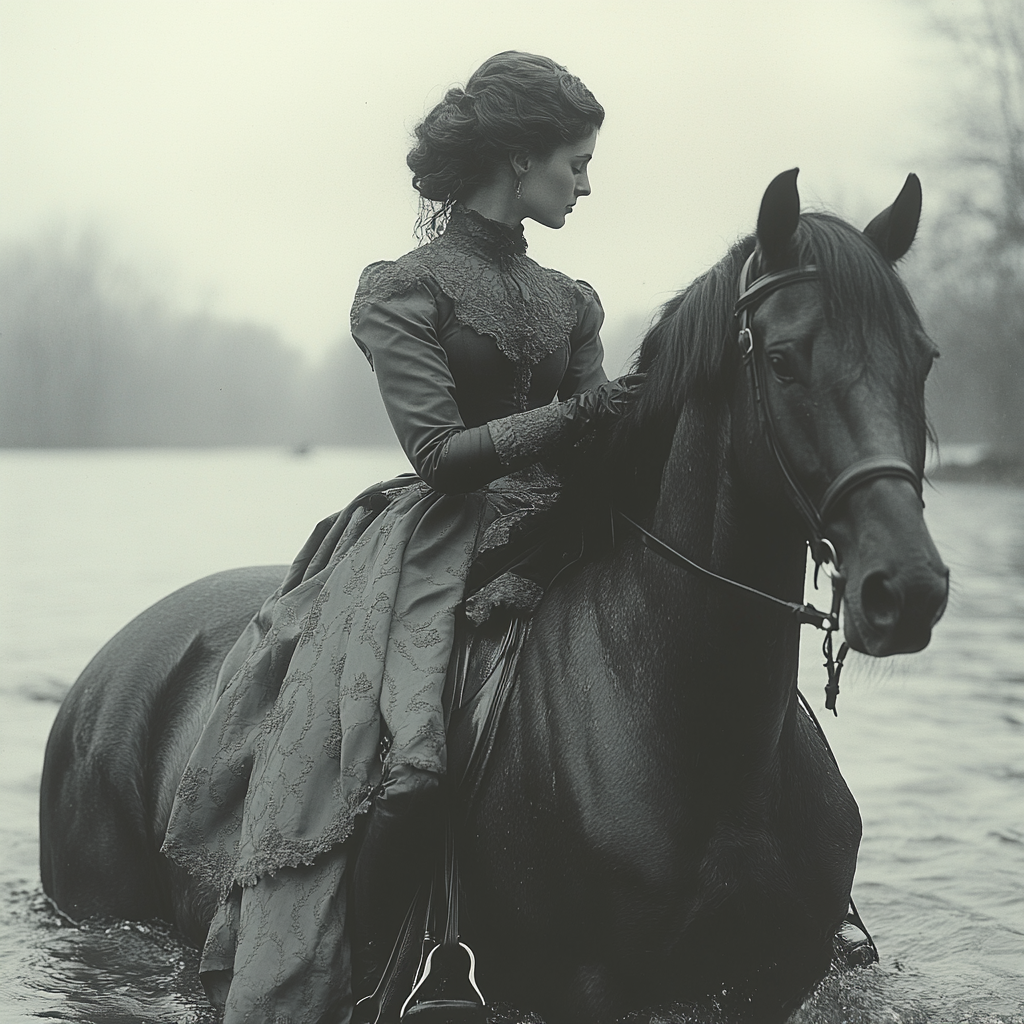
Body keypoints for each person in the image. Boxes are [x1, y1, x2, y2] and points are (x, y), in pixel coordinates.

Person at [161, 50, 638, 1024]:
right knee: (412, 765)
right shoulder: (403, 289)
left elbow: (595, 430)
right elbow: (439, 453)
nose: (586, 182)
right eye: (574, 162)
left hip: (560, 518)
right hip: (440, 530)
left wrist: (638, 427)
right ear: (518, 160)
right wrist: (583, 417)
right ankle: (377, 973)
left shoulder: (568, 299)